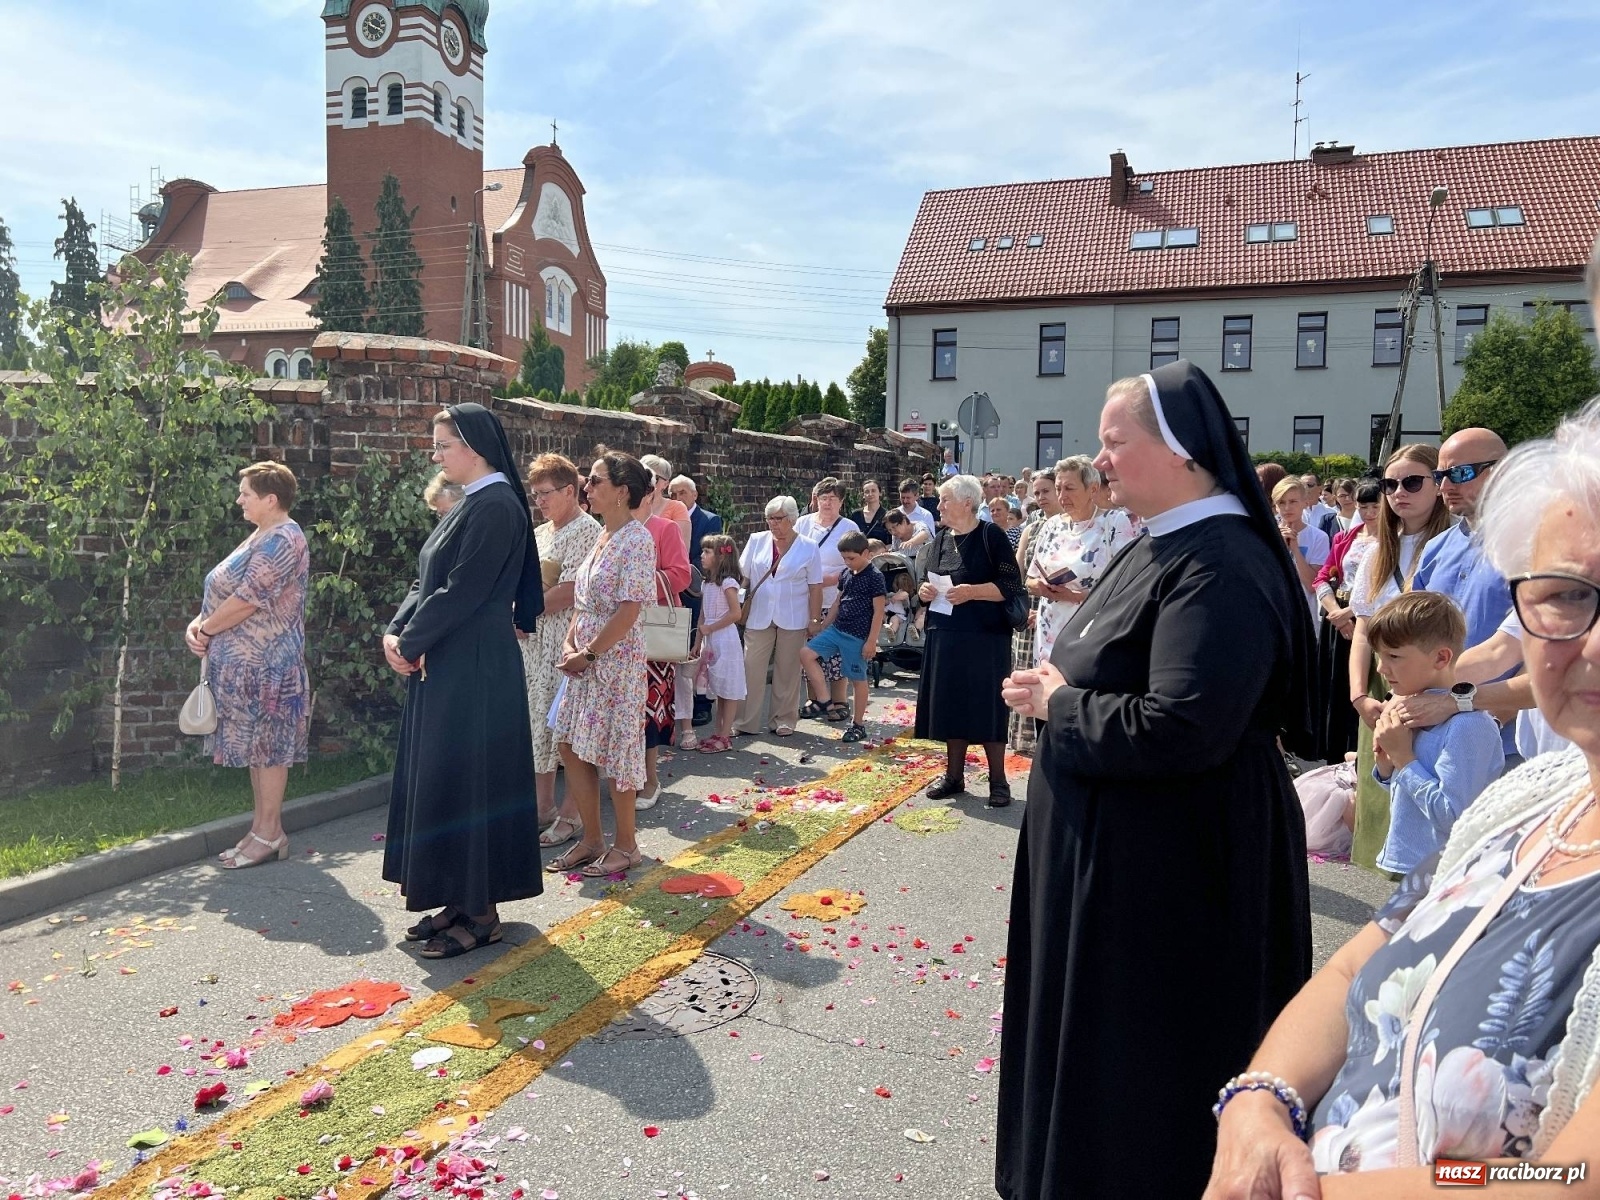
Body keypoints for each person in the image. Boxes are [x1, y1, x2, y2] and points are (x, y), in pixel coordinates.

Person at [1205, 399, 1600, 1196]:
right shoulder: (1528, 802)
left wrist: (1298, 1191)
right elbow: (1360, 959)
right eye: (1563, 594)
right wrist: (1259, 1100)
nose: (1588, 643)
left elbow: (1563, 1177)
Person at [998, 362, 1315, 1200]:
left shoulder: (1221, 562)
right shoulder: (1165, 541)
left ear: (1178, 451)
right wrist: (1054, 692)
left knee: (1144, 1089)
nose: (1099, 461)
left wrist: (1062, 707)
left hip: (1172, 872)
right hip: (1120, 856)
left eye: (1115, 443)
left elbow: (1181, 727)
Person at [382, 404, 545, 957]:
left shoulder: (496, 506)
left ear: (473, 446)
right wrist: (398, 630)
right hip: (450, 662)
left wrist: (410, 642)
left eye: (442, 445)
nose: (435, 455)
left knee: (472, 781)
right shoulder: (473, 502)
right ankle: (457, 897)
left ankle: (482, 913)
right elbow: (429, 577)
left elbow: (464, 591)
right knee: (449, 779)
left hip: (475, 667)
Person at [186, 461, 310, 870]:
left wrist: (205, 630)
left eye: (246, 493)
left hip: (270, 668)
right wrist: (198, 623)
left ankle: (271, 832)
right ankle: (261, 829)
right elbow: (223, 591)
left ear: (270, 499)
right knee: (258, 751)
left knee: (270, 750)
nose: (239, 499)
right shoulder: (261, 534)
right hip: (246, 669)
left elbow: (247, 599)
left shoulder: (283, 540)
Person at [546, 452, 656, 879]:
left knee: (618, 750)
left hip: (616, 663)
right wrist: (572, 641)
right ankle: (592, 838)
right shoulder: (603, 537)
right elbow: (583, 600)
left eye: (594, 481)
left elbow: (629, 611)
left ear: (621, 491)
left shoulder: (636, 539)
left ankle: (627, 845)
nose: (586, 488)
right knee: (570, 743)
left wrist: (589, 652)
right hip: (585, 659)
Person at [1347, 445, 1453, 870]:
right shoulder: (1378, 551)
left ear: (1438, 483)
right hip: (1380, 681)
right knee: (1382, 788)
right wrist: (1358, 695)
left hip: (1433, 680)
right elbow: (1362, 630)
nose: (1398, 493)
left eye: (1412, 482)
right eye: (1391, 484)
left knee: (1428, 788)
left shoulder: (1451, 546)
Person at [1385, 428, 1516, 754]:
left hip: (1509, 746)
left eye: (1459, 473)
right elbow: (1410, 637)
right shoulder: (1436, 549)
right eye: (1441, 475)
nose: (1445, 487)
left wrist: (1492, 722)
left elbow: (1540, 655)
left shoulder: (1532, 546)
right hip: (1433, 734)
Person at [1368, 591, 1504, 875]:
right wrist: (1386, 768)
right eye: (1379, 656)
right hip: (1416, 866)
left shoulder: (1467, 725)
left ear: (1441, 658)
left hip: (1451, 873)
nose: (1381, 667)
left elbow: (1453, 816)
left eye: (1393, 656)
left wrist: (1404, 760)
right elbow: (1405, 796)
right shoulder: (1408, 707)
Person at [914, 474, 1026, 805]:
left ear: (967, 503)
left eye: (945, 499)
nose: (940, 505)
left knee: (988, 706)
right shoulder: (940, 540)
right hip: (945, 635)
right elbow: (925, 581)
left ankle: (998, 781)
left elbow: (1011, 586)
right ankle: (954, 776)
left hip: (985, 638)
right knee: (951, 705)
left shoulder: (991, 535)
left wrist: (973, 592)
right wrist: (923, 591)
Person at [519, 453, 600, 851]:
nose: (540, 500)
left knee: (566, 729)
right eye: (535, 494)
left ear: (571, 491)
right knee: (538, 723)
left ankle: (573, 813)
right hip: (534, 644)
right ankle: (542, 805)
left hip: (566, 641)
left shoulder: (587, 531)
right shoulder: (539, 533)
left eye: (546, 493)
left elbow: (571, 590)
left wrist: (524, 611)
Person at [1026, 455, 1137, 669]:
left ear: (1093, 489)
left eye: (1069, 488)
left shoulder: (1114, 523)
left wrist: (1076, 597)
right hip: (1050, 628)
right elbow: (1030, 578)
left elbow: (1128, 585)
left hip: (1091, 629)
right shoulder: (1052, 526)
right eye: (1058, 488)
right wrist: (1041, 587)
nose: (1062, 496)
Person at [735, 496, 823, 738]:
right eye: (769, 518)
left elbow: (815, 585)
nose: (772, 523)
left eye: (778, 518)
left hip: (794, 616)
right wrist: (737, 603)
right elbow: (744, 576)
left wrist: (815, 620)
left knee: (788, 670)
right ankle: (744, 720)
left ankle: (784, 719)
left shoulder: (808, 546)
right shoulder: (756, 540)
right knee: (750, 667)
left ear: (792, 520)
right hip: (759, 613)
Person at [1312, 480, 1384, 761]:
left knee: (1367, 682)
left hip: (1370, 615)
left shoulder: (1395, 539)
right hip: (1339, 615)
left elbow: (1386, 583)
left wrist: (1351, 612)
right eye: (1363, 506)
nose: (1368, 512)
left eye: (1375, 506)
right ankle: (1335, 753)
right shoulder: (1346, 537)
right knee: (1338, 684)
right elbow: (1323, 577)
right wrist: (1336, 613)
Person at [634, 471, 692, 809]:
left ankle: (650, 778)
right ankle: (628, 775)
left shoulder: (664, 528)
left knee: (649, 705)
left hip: (653, 630)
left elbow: (681, 575)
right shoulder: (609, 530)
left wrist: (637, 582)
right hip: (617, 630)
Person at [798, 531, 886, 742]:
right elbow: (838, 602)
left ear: (866, 553)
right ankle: (824, 700)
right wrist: (821, 626)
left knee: (857, 679)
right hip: (836, 630)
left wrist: (872, 641)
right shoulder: (846, 574)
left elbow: (879, 611)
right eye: (844, 558)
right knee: (806, 654)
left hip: (857, 637)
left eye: (852, 558)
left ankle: (858, 724)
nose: (847, 562)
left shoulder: (875, 577)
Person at [1008, 470, 1066, 754]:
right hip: (1030, 606)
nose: (1042, 498)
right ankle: (1024, 739)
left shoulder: (1068, 524)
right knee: (1024, 668)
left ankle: (1047, 737)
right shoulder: (1031, 527)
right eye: (1038, 492)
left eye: (1047, 491)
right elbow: (1019, 570)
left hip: (1057, 605)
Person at [795, 478, 861, 715]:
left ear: (841, 502)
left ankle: (839, 701)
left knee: (836, 650)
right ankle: (814, 699)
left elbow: (858, 563)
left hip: (836, 598)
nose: (827, 503)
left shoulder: (849, 527)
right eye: (823, 498)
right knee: (809, 649)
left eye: (833, 498)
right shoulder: (802, 524)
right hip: (806, 599)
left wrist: (833, 579)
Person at [669, 473, 722, 737]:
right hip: (673, 593)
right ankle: (677, 704)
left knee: (697, 649)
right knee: (675, 650)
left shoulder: (710, 520)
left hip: (696, 591)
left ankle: (702, 703)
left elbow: (707, 555)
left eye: (682, 493)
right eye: (673, 493)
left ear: (694, 495)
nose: (677, 497)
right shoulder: (666, 517)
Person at [692, 534, 745, 754]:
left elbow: (736, 614)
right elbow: (702, 615)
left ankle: (725, 735)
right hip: (711, 641)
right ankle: (718, 731)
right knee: (718, 686)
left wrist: (710, 629)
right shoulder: (708, 584)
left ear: (721, 556)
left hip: (725, 640)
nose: (702, 556)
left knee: (728, 688)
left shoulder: (728, 583)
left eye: (707, 552)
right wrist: (698, 642)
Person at [1272, 475, 1331, 623]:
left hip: (1305, 618)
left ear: (1305, 502)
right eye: (1281, 502)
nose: (1287, 508)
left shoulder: (1319, 537)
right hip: (1274, 616)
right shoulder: (1267, 536)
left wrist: (1296, 550)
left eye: (1293, 502)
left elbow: (1312, 585)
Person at [639, 454, 690, 553]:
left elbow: (681, 552)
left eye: (655, 478)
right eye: (643, 476)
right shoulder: (628, 505)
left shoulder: (677, 508)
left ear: (665, 484)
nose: (648, 481)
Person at [848, 478, 890, 545]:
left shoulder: (887, 515)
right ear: (863, 495)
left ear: (880, 493)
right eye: (867, 491)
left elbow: (891, 541)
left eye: (873, 491)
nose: (870, 494)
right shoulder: (856, 515)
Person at [895, 477, 937, 541]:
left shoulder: (926, 515)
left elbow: (931, 541)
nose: (905, 501)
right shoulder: (895, 513)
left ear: (916, 496)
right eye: (902, 497)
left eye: (908, 498)